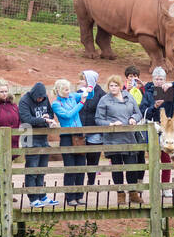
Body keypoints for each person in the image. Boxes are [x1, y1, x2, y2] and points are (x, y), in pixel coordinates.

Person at [92, 73, 145, 207]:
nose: (113, 88)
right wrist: (110, 125)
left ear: (121, 86)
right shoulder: (104, 100)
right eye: (111, 85)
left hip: (129, 138)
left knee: (132, 166)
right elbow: (98, 119)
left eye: (116, 85)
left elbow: (138, 113)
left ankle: (133, 193)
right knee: (117, 168)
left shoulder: (128, 96)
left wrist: (134, 118)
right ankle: (120, 194)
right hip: (113, 139)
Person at [51, 78, 89, 207]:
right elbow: (68, 115)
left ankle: (79, 195)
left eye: (68, 89)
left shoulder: (72, 96)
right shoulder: (56, 104)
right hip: (67, 137)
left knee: (81, 167)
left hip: (79, 136)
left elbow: (89, 95)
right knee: (70, 168)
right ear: (59, 91)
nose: (68, 92)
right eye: (65, 90)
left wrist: (88, 88)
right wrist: (81, 104)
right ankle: (70, 197)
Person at [77, 69, 104, 188]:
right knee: (81, 157)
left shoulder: (101, 94)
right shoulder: (79, 92)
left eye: (83, 79)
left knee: (93, 158)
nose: (80, 81)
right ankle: (79, 184)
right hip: (81, 129)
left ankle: (91, 182)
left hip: (95, 130)